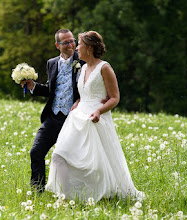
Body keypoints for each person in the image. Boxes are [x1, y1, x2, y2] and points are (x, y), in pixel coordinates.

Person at [45, 31, 143, 202]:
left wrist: (99, 111)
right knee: (60, 154)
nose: (77, 48)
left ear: (89, 48)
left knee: (93, 162)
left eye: (80, 44)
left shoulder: (105, 68)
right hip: (77, 117)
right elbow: (83, 93)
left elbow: (114, 98)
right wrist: (77, 102)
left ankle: (96, 194)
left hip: (95, 119)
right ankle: (67, 193)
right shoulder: (82, 67)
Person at [21, 29, 85, 193]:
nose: (71, 45)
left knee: (74, 159)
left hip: (73, 118)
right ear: (57, 45)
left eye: (72, 41)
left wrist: (81, 102)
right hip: (52, 117)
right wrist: (33, 86)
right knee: (36, 152)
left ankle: (77, 192)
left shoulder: (83, 62)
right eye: (66, 42)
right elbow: (51, 88)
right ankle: (37, 191)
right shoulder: (52, 63)